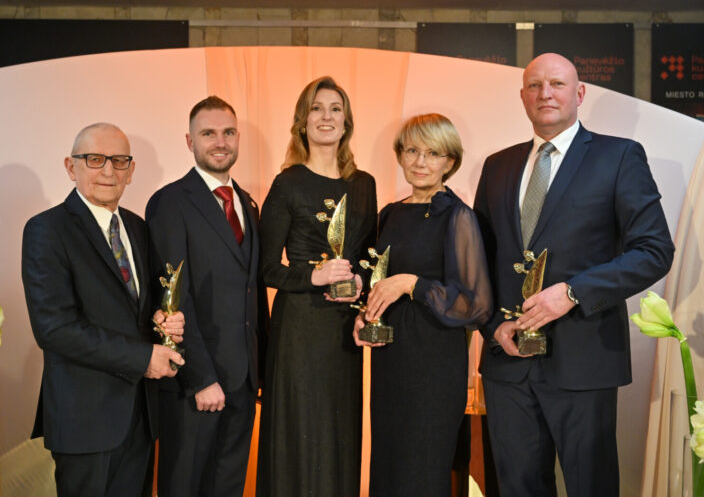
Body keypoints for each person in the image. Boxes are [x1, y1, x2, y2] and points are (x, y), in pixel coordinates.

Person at [473, 53, 675, 496]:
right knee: (517, 487)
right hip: (509, 363)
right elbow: (480, 262)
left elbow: (654, 251)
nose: (545, 93)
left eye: (557, 84)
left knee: (591, 486)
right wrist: (492, 326)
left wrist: (573, 291)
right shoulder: (497, 166)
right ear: (523, 96)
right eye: (535, 85)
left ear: (579, 93)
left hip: (584, 359)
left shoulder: (618, 156)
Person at [21, 122, 185, 497]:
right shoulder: (47, 230)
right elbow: (54, 328)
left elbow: (136, 309)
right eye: (95, 159)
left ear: (131, 170)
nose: (108, 171)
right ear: (70, 166)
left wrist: (163, 320)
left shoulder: (137, 227)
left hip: (140, 419)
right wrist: (144, 356)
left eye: (119, 160)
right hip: (85, 423)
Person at [353, 113, 492, 496]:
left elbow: (475, 305)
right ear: (400, 155)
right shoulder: (389, 215)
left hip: (433, 365)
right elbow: (374, 280)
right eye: (412, 150)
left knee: (422, 466)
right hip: (390, 361)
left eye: (433, 153)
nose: (420, 161)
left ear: (449, 162)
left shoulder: (457, 217)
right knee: (389, 462)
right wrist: (363, 313)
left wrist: (413, 284)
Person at [256, 76, 377, 496]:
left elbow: (369, 257)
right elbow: (267, 269)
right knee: (298, 436)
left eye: (335, 109)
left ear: (346, 123)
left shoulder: (364, 184)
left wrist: (362, 280)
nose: (326, 117)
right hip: (298, 333)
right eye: (316, 108)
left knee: (340, 433)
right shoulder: (287, 183)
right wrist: (313, 276)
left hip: (344, 333)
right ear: (302, 122)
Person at [145, 96, 264, 497]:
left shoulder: (247, 203)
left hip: (244, 381)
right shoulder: (170, 202)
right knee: (185, 486)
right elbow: (172, 300)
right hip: (196, 382)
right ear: (189, 140)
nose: (220, 142)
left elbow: (251, 292)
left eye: (228, 132)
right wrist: (201, 378)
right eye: (208, 133)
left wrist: (258, 371)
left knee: (227, 487)